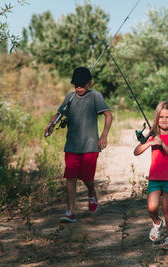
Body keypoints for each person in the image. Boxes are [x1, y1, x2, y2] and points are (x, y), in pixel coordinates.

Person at [44, 67, 113, 223]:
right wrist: (51, 124)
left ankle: (92, 194)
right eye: (76, 85)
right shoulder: (70, 97)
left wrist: (104, 135)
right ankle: (71, 212)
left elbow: (108, 115)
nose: (79, 88)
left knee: (87, 178)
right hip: (72, 146)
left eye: (82, 85)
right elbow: (59, 113)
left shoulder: (96, 96)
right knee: (71, 177)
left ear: (90, 83)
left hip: (90, 146)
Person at [134, 101, 168, 250]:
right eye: (161, 117)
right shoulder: (153, 134)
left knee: (167, 209)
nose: (164, 120)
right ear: (157, 117)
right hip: (154, 178)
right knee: (151, 207)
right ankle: (156, 222)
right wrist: (150, 142)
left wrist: (162, 144)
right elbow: (136, 151)